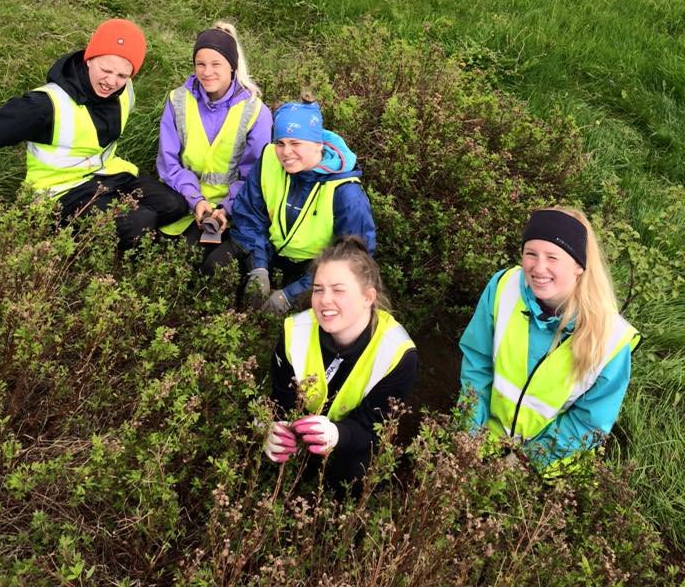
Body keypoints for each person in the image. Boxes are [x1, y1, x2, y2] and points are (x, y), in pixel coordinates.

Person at [0, 18, 188, 248]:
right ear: (89, 59)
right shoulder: (45, 104)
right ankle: (59, 235)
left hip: (107, 173)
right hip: (59, 191)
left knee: (175, 205)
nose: (111, 82)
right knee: (139, 223)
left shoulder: (125, 90)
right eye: (106, 69)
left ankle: (120, 227)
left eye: (122, 76)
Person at [459, 206, 641, 474]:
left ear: (579, 265)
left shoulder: (611, 339)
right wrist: (468, 434)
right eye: (530, 253)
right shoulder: (503, 287)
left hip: (546, 468)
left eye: (553, 257)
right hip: (483, 441)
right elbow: (477, 363)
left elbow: (589, 422)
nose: (538, 267)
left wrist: (526, 463)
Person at [264, 236, 418, 491]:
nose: (324, 300)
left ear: (368, 297)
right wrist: (273, 428)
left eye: (338, 290)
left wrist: (338, 435)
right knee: (268, 457)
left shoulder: (398, 354)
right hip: (304, 428)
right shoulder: (295, 331)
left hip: (355, 439)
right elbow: (280, 398)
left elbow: (373, 428)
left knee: (356, 473)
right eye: (318, 289)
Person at [223, 98, 376, 313]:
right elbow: (249, 214)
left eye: (296, 144)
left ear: (318, 145)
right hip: (268, 251)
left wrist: (290, 295)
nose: (286, 152)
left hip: (313, 268)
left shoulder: (346, 193)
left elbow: (351, 259)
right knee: (216, 264)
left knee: (304, 315)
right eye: (280, 143)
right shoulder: (269, 158)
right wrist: (258, 267)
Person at [157, 22, 272, 248]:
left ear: (232, 66)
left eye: (215, 64)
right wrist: (195, 200)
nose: (206, 72)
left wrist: (226, 209)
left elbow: (255, 175)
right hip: (185, 203)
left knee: (212, 265)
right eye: (200, 64)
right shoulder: (177, 100)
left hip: (234, 210)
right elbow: (168, 162)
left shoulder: (256, 112)